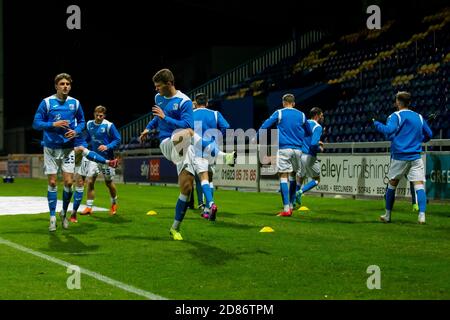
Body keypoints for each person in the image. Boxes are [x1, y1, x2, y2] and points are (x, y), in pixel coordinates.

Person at [139, 68, 195, 240]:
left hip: (183, 144)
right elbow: (158, 117)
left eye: (159, 86)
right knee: (189, 134)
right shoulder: (159, 98)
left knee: (187, 187)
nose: (156, 90)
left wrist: (165, 118)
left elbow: (187, 124)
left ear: (169, 84)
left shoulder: (184, 101)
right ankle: (222, 155)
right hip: (167, 143)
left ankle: (175, 228)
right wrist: (149, 127)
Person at [32, 73, 86, 231]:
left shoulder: (75, 103)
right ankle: (52, 217)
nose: (65, 86)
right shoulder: (47, 103)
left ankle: (63, 212)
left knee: (69, 182)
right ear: (56, 86)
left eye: (68, 84)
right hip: (50, 148)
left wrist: (76, 131)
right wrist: (53, 124)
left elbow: (82, 121)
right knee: (53, 182)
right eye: (62, 84)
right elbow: (36, 123)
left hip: (68, 148)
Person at [373, 91, 432, 224]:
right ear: (409, 102)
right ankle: (422, 215)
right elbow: (429, 134)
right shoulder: (419, 117)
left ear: (398, 102)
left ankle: (387, 215)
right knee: (419, 185)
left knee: (392, 185)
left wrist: (376, 123)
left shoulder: (396, 116)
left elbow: (388, 131)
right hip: (415, 157)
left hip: (399, 156)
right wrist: (418, 140)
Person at [257, 93, 312, 217]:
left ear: (283, 102)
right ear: (293, 103)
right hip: (298, 150)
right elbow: (309, 132)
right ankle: (292, 205)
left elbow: (265, 125)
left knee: (283, 177)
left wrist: (257, 137)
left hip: (284, 149)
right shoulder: (302, 115)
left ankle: (286, 208)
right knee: (293, 177)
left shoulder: (279, 113)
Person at [73, 105, 122, 218]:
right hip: (94, 158)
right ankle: (89, 207)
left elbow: (118, 139)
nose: (99, 117)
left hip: (107, 158)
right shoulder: (89, 124)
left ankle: (114, 203)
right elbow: (89, 138)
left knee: (108, 183)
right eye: (97, 115)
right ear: (94, 114)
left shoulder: (109, 125)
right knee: (90, 181)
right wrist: (82, 145)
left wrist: (108, 146)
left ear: (104, 116)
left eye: (101, 115)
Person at [192, 92, 232, 221]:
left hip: (198, 150)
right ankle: (206, 210)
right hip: (213, 149)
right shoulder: (215, 114)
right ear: (207, 103)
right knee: (210, 179)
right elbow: (226, 126)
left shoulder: (191, 115)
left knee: (203, 178)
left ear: (196, 103)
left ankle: (210, 205)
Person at [295, 107, 324, 207]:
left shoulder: (304, 123)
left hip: (300, 154)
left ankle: (293, 202)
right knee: (317, 179)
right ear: (316, 115)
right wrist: (320, 148)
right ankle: (300, 192)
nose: (322, 117)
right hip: (309, 155)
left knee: (300, 177)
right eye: (321, 115)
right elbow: (313, 144)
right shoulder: (318, 127)